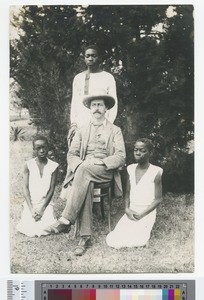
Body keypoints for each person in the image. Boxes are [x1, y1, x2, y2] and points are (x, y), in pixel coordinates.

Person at [45, 90, 126, 256]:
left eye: (100, 105)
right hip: (85, 170)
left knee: (84, 172)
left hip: (105, 170)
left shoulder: (115, 130)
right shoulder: (81, 130)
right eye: (93, 105)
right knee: (85, 180)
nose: (96, 108)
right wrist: (81, 164)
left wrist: (101, 162)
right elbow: (71, 154)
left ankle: (66, 219)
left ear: (106, 109)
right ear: (90, 109)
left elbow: (121, 156)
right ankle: (84, 238)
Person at [106, 138, 163, 248]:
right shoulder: (130, 169)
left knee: (138, 240)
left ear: (150, 153)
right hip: (132, 210)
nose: (138, 153)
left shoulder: (156, 172)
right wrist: (127, 209)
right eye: (136, 150)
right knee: (115, 239)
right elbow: (127, 192)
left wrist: (142, 214)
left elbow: (158, 199)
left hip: (146, 212)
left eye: (142, 150)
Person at [68, 44, 118, 145]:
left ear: (99, 58)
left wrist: (108, 125)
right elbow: (75, 103)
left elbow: (113, 104)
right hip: (82, 125)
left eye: (93, 56)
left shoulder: (107, 77)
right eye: (87, 56)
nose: (90, 59)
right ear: (84, 58)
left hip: (102, 125)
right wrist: (74, 124)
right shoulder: (78, 78)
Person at [16, 136, 59, 237]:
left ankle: (46, 217)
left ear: (48, 148)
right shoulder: (28, 165)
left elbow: (51, 189)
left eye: (44, 147)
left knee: (46, 226)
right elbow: (25, 188)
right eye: (38, 148)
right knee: (27, 227)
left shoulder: (54, 166)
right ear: (34, 149)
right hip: (31, 203)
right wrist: (31, 209)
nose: (42, 151)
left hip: (45, 203)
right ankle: (30, 215)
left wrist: (42, 209)